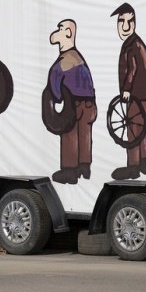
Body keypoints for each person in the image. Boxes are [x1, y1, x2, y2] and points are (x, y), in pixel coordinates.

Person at [46, 19, 97, 184]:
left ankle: (69, 171)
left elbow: (55, 83)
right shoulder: (79, 58)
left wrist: (56, 97)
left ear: (68, 33)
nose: (56, 33)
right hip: (89, 104)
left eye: (60, 29)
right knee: (85, 134)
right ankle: (84, 166)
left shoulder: (65, 60)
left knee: (70, 135)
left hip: (73, 104)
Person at [110, 3, 146, 180]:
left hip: (137, 96)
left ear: (134, 23)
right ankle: (142, 161)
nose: (126, 26)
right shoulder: (135, 43)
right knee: (141, 128)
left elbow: (132, 68)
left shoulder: (132, 45)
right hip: (144, 96)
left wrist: (127, 90)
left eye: (130, 21)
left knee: (133, 128)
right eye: (122, 21)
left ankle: (133, 166)